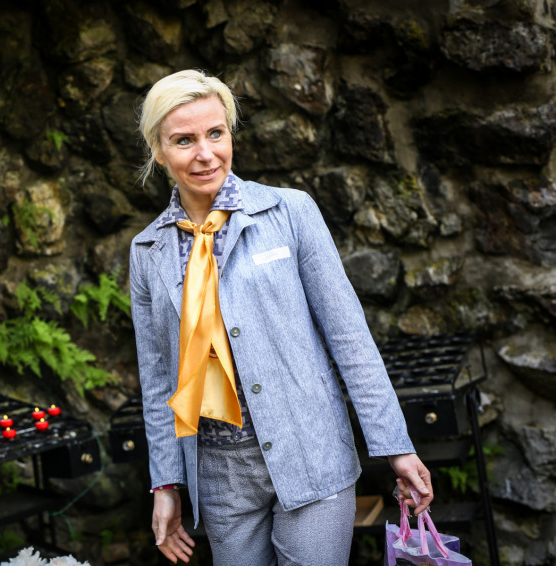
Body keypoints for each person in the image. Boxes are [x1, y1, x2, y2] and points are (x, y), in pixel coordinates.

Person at [128, 69, 433, 565]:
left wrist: (395, 447)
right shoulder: (147, 252)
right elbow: (159, 377)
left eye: (215, 133)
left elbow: (349, 338)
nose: (205, 154)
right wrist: (165, 483)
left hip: (310, 452)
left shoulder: (291, 212)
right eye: (184, 140)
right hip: (220, 476)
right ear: (158, 151)